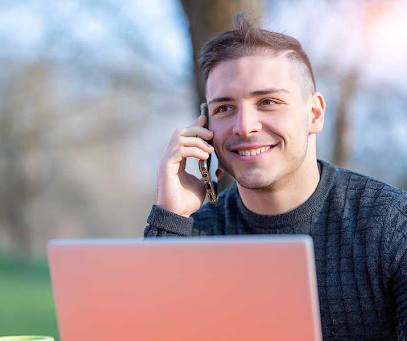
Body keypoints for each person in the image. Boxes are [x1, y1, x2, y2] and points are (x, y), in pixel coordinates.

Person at [144, 12, 407, 340]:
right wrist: (171, 218)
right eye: (224, 108)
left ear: (314, 114)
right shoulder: (194, 234)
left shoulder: (391, 224)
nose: (244, 126)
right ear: (205, 126)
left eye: (267, 102)